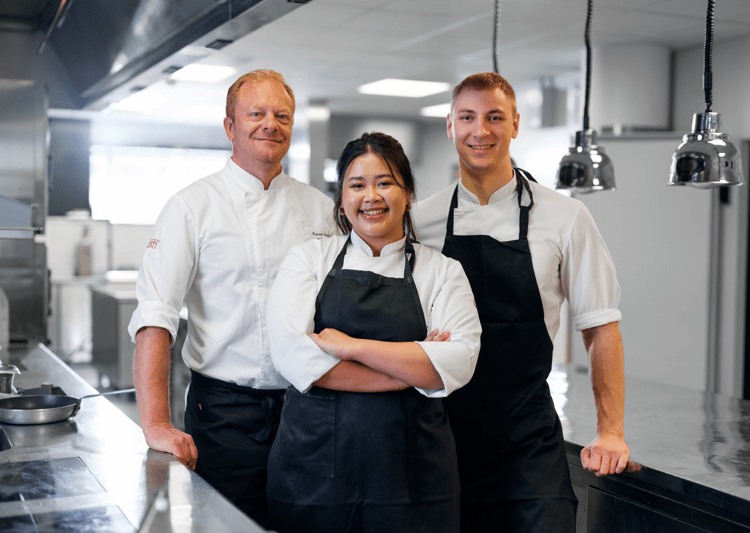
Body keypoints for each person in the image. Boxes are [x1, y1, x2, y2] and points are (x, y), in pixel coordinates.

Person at [412, 72, 634, 532]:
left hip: (527, 437)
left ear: (514, 124)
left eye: (494, 117)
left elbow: (600, 328)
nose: (481, 130)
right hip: (441, 435)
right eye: (467, 117)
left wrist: (611, 431)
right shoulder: (420, 220)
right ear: (450, 127)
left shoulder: (566, 216)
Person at [128, 69, 334, 527]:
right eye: (256, 113)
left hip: (308, 408)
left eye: (282, 114)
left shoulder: (322, 209)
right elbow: (156, 317)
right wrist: (156, 423)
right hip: (222, 414)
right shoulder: (191, 207)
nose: (270, 124)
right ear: (229, 127)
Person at [265, 132, 481, 533]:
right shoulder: (309, 259)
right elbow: (293, 356)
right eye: (357, 185)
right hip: (315, 474)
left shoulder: (442, 271)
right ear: (342, 199)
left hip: (413, 479)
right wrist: (411, 368)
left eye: (385, 182)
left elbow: (459, 361)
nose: (371, 196)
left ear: (408, 192)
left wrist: (350, 347)